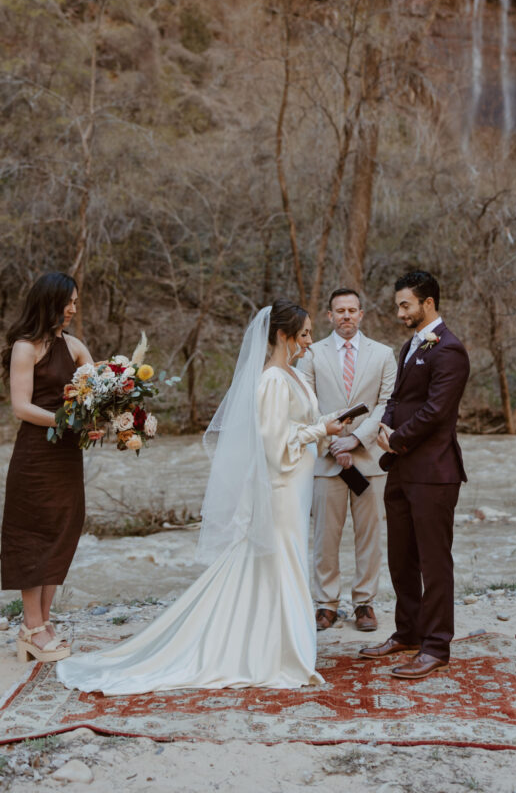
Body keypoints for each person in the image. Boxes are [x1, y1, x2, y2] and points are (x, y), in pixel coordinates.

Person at [56, 299, 345, 693]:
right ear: (282, 335)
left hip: (297, 487)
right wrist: (322, 432)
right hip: (280, 490)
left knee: (281, 563)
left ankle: (276, 643)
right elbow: (274, 444)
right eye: (305, 334)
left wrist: (325, 423)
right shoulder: (273, 380)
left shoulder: (293, 376)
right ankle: (281, 651)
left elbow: (297, 426)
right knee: (284, 562)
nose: (311, 341)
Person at [361, 270, 470, 680]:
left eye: (405, 305)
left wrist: (397, 438)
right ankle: (407, 632)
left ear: (428, 303)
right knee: (401, 557)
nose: (400, 312)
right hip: (401, 468)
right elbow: (396, 399)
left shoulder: (450, 350)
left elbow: (436, 411)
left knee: (433, 561)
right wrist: (383, 430)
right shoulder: (411, 345)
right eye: (398, 305)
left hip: (434, 472)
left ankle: (436, 646)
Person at [1, 272, 94, 664]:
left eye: (75, 302)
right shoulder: (25, 348)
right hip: (36, 455)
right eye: (68, 302)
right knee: (33, 533)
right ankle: (31, 627)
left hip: (67, 454)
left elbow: (97, 387)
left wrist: (106, 417)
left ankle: (43, 623)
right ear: (50, 302)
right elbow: (21, 406)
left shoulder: (73, 346)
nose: (73, 309)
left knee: (64, 529)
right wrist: (65, 421)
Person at [299, 287, 397, 633]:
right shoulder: (311, 354)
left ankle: (364, 603)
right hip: (326, 461)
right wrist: (332, 442)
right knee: (325, 536)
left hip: (369, 459)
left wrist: (355, 439)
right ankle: (326, 604)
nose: (346, 316)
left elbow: (387, 403)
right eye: (339, 311)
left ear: (361, 315)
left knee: (369, 535)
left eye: (352, 310)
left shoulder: (383, 354)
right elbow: (305, 406)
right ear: (329, 316)